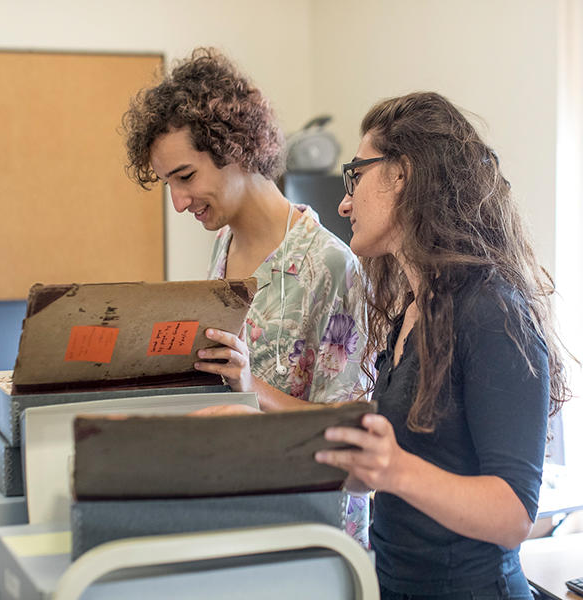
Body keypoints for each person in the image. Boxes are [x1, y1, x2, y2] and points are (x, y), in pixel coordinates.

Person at [315, 92, 571, 598]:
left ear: (403, 173)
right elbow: (391, 470)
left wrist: (395, 469)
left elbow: (514, 514)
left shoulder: (492, 313)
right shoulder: (412, 311)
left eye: (356, 175)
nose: (344, 202)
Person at [121, 47, 370, 546]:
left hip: (313, 537)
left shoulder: (331, 265)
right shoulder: (224, 244)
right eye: (169, 184)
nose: (178, 202)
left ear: (233, 148)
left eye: (186, 177)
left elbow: (354, 434)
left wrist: (253, 389)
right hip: (241, 516)